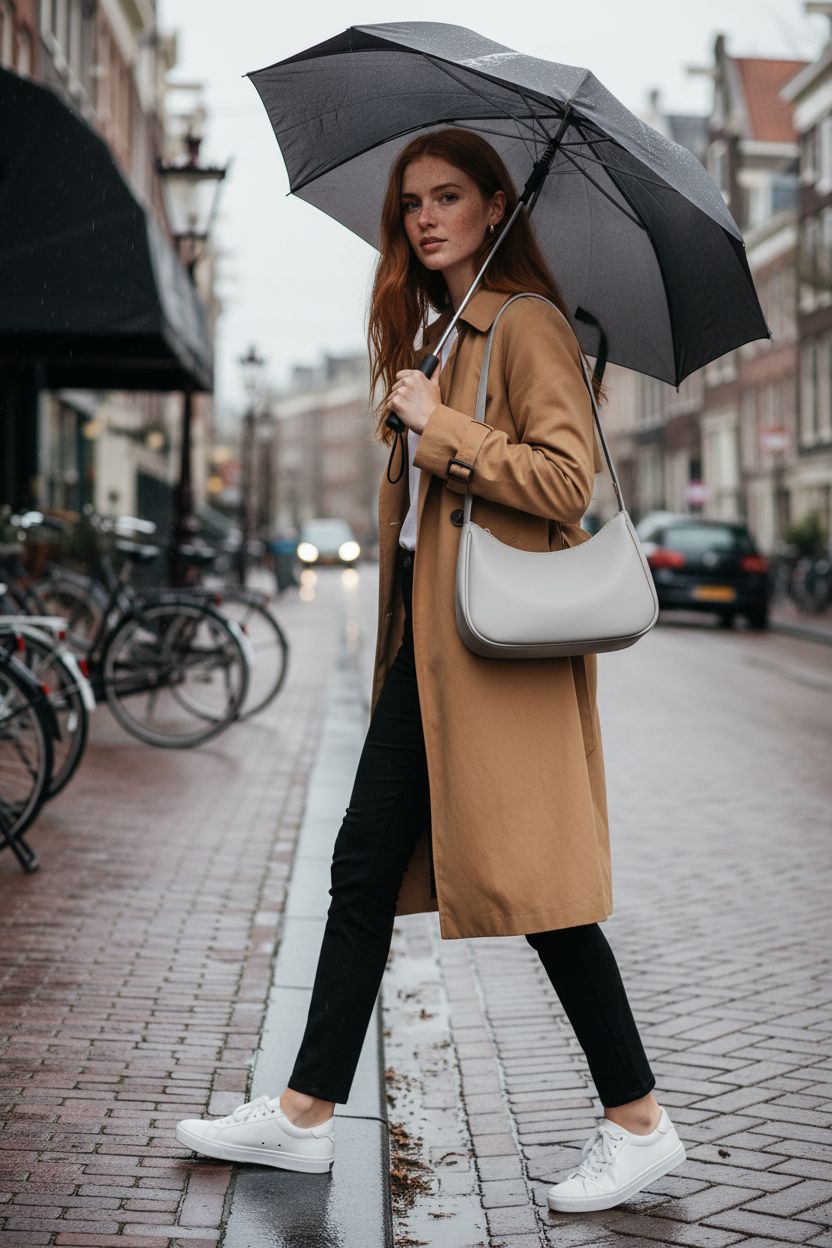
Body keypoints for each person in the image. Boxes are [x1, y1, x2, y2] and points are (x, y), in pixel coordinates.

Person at [175, 128, 687, 1214]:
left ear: (497, 205)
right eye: (412, 202)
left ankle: (639, 1123)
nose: (425, 218)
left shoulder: (527, 323)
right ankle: (306, 1113)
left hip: (496, 657)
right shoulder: (439, 335)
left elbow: (565, 481)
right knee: (362, 868)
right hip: (428, 652)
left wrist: (439, 424)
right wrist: (424, 400)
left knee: (542, 892)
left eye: (448, 197)